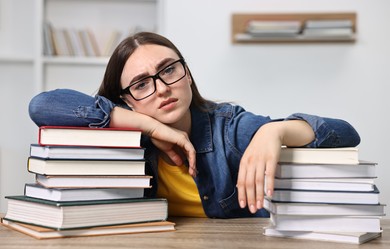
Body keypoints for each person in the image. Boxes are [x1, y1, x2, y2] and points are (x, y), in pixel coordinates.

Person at [29, 32, 361, 218]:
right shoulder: (122, 134)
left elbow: (346, 133)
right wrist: (151, 128)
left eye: (169, 70)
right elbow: (41, 105)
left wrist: (275, 130)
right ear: (126, 99)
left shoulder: (229, 129)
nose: (161, 88)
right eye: (142, 84)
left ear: (187, 73)